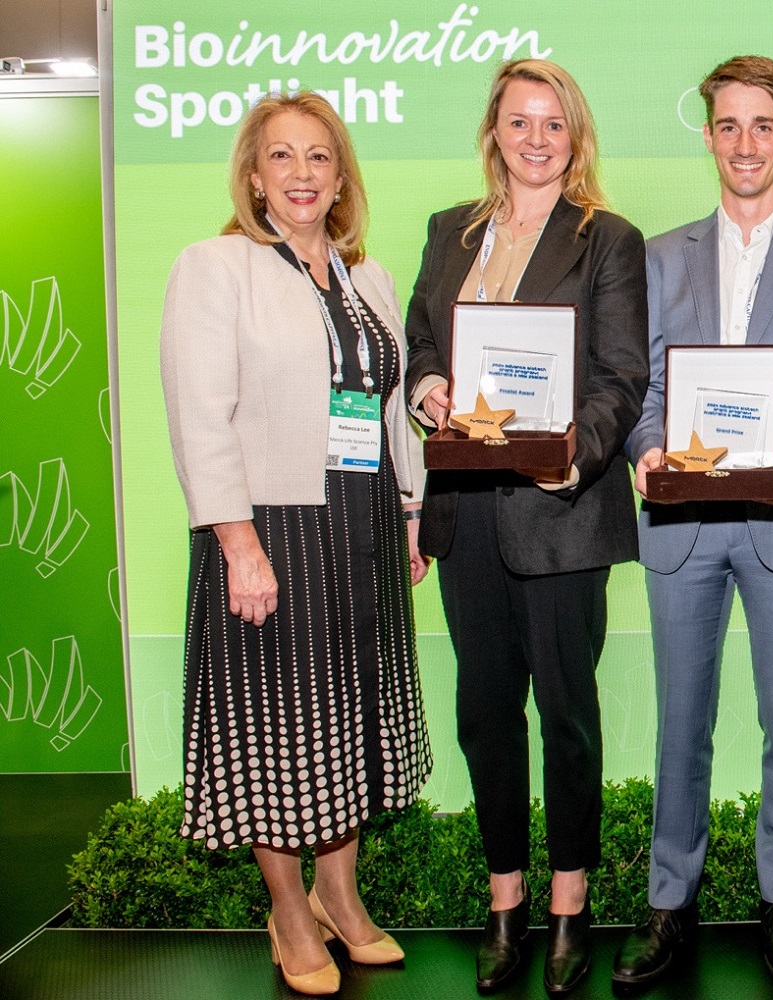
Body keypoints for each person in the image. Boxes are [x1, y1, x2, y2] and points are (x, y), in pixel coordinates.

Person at [159, 92, 432, 997]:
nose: (303, 173)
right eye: (283, 157)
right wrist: (237, 542)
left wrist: (408, 514)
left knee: (345, 720)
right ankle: (287, 915)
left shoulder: (370, 281)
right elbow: (201, 414)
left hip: (360, 529)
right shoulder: (216, 267)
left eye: (320, 157)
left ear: (342, 176)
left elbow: (388, 416)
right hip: (271, 530)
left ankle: (339, 898)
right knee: (279, 725)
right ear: (253, 176)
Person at [615, 55, 773, 987]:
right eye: (728, 125)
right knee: (681, 722)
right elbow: (641, 388)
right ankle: (669, 905)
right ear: (709, 134)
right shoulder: (659, 255)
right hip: (681, 526)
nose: (746, 143)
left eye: (764, 125)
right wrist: (645, 450)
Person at [403, 58, 648, 995]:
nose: (536, 139)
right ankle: (504, 898)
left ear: (574, 136)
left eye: (554, 124)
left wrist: (567, 454)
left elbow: (623, 379)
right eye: (519, 122)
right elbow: (427, 339)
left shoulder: (606, 240)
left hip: (561, 517)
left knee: (569, 719)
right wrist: (427, 384)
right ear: (493, 131)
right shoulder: (447, 232)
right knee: (484, 717)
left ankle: (569, 903)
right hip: (466, 517)